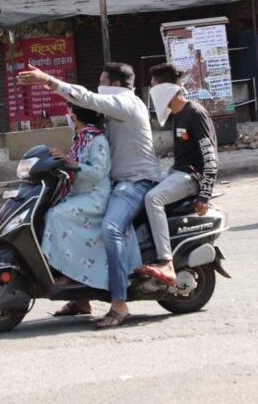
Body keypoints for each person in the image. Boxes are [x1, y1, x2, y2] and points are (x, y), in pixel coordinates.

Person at [18, 62, 162, 329]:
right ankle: (81, 296)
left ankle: (119, 304)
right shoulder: (102, 119)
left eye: (102, 81)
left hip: (136, 182)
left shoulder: (126, 104)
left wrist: (46, 80)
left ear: (115, 85)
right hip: (116, 182)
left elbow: (86, 98)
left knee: (111, 229)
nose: (99, 87)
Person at [140, 63, 218, 285]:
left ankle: (166, 261)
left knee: (153, 198)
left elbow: (210, 156)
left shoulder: (194, 113)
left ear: (166, 89)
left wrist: (205, 195)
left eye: (154, 87)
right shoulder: (178, 115)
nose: (152, 93)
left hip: (192, 178)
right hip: (177, 172)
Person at [41, 104, 112, 317]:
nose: (68, 116)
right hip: (80, 194)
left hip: (95, 197)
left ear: (77, 116)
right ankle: (81, 301)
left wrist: (72, 163)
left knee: (56, 216)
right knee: (51, 210)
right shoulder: (81, 138)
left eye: (70, 112)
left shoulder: (97, 140)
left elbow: (98, 173)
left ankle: (70, 276)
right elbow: (72, 163)